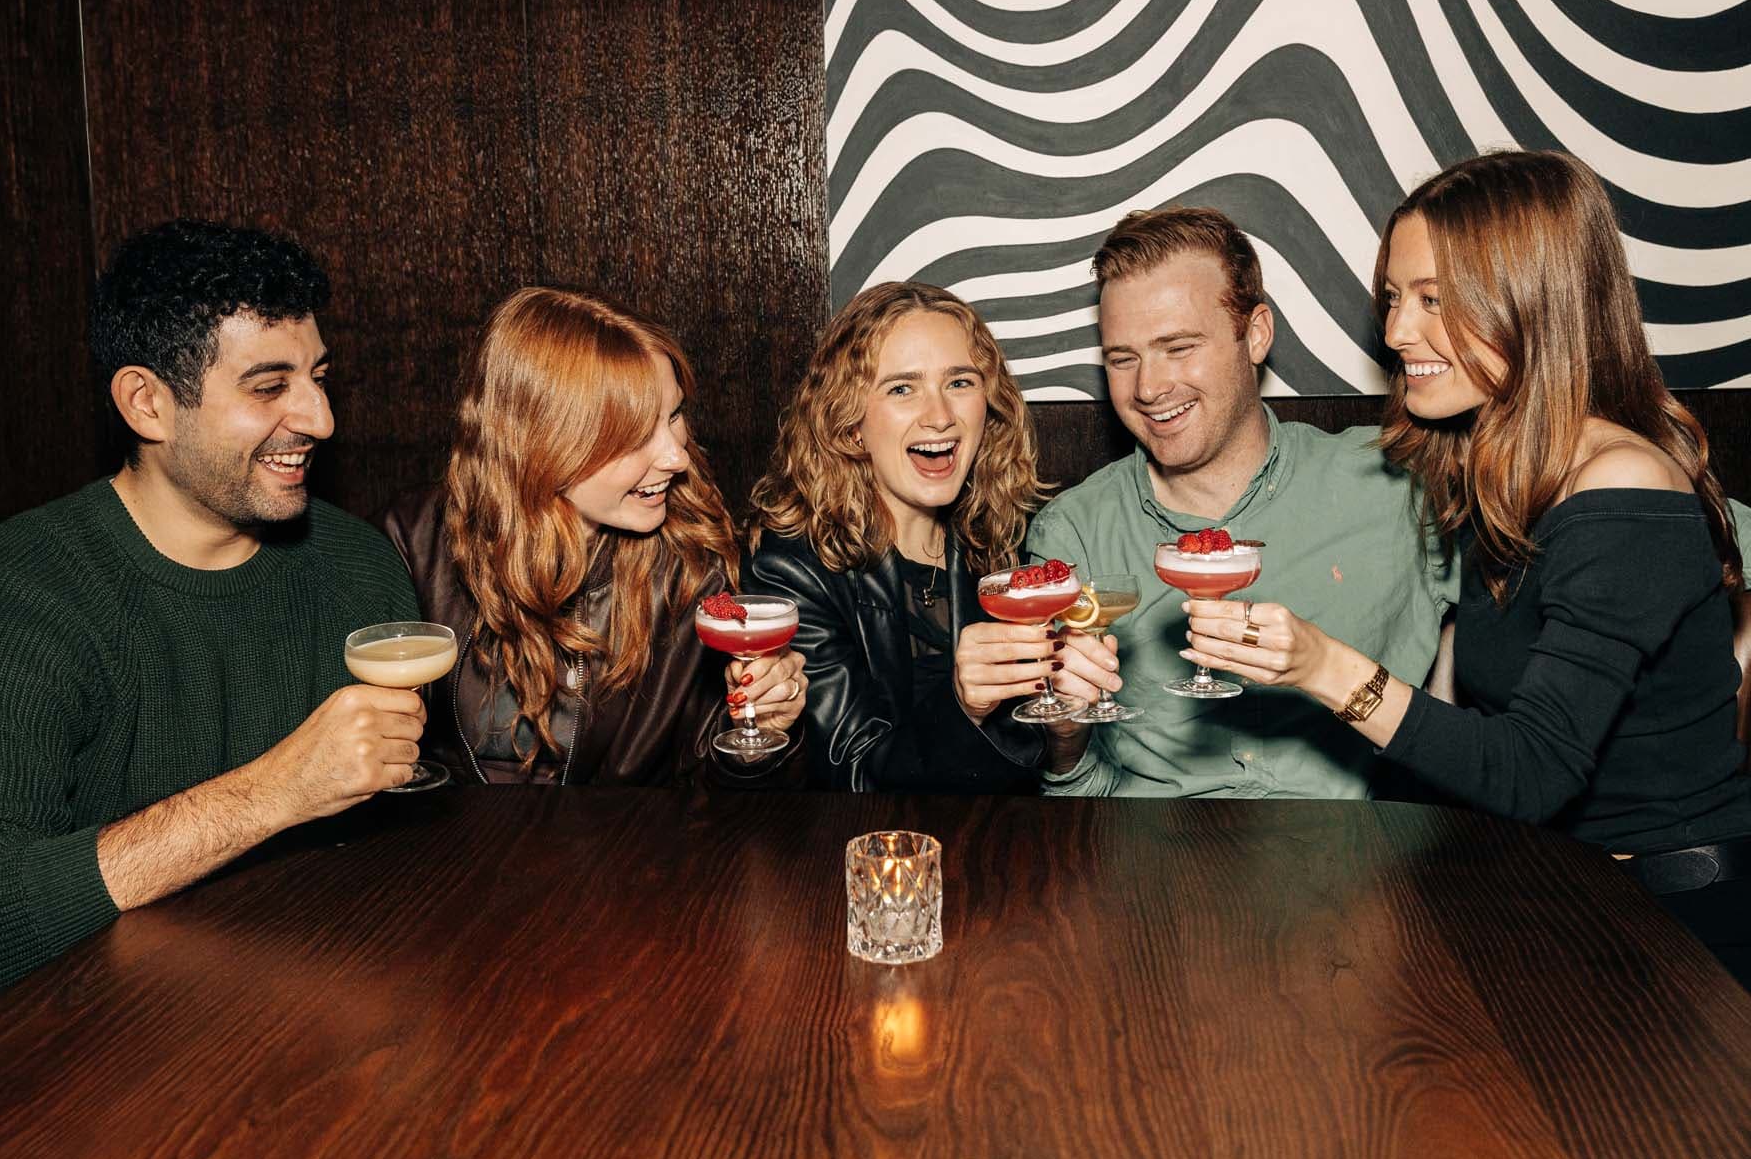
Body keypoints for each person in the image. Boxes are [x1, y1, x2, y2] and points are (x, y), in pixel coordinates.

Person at [1176, 151, 1751, 980]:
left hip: (1672, 939)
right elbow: (1460, 736)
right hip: (1551, 898)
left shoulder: (1624, 485)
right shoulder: (1507, 474)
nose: (1398, 330)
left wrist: (1324, 667)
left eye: (1435, 300)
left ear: (1532, 302)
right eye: (1396, 298)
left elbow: (1532, 772)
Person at [0, 220, 425, 1017]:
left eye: (319, 377)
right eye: (269, 387)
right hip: (88, 1057)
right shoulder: (13, 597)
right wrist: (274, 792)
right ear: (147, 403)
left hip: (317, 1015)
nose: (319, 419)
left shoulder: (356, 566)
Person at [1030, 207, 1459, 799]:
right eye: (1122, 359)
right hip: (1155, 866)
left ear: (1256, 334)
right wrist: (1065, 734)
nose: (1149, 388)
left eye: (1178, 347)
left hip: (1358, 863)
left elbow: (1504, 712)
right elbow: (1078, 794)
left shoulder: (1398, 484)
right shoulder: (1072, 534)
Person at [380, 287, 807, 786]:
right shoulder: (411, 543)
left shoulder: (687, 566)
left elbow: (713, 798)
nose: (677, 457)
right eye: (635, 434)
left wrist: (763, 735)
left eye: (673, 416)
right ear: (542, 442)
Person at [746, 281, 1062, 792]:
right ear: (850, 425)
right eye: (901, 388)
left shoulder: (1012, 539)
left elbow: (1041, 754)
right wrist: (963, 708)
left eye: (960, 382)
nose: (939, 415)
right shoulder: (793, 569)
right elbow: (851, 777)